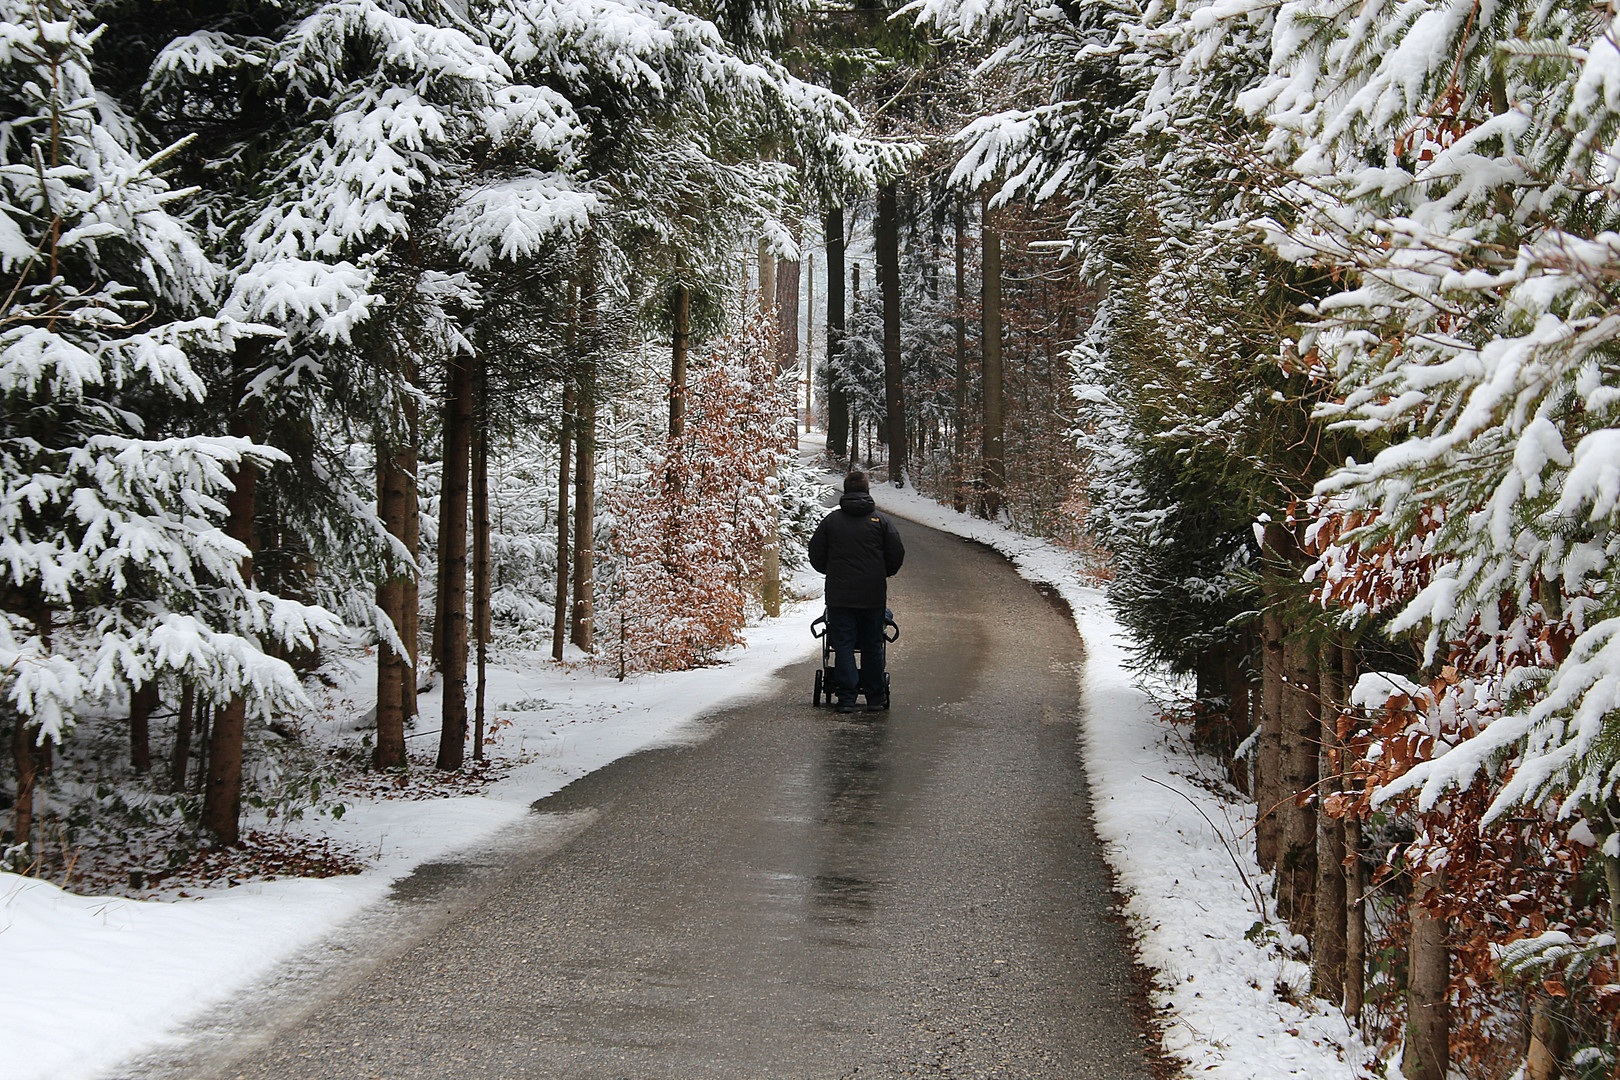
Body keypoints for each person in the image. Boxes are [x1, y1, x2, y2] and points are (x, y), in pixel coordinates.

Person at [807, 471, 905, 713]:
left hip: (840, 596)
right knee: (872, 644)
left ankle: (847, 697)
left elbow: (816, 553)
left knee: (843, 644)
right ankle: (874, 696)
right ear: (867, 490)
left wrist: (830, 570)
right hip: (872, 595)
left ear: (846, 491)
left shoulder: (831, 521)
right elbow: (896, 553)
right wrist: (884, 572)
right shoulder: (881, 522)